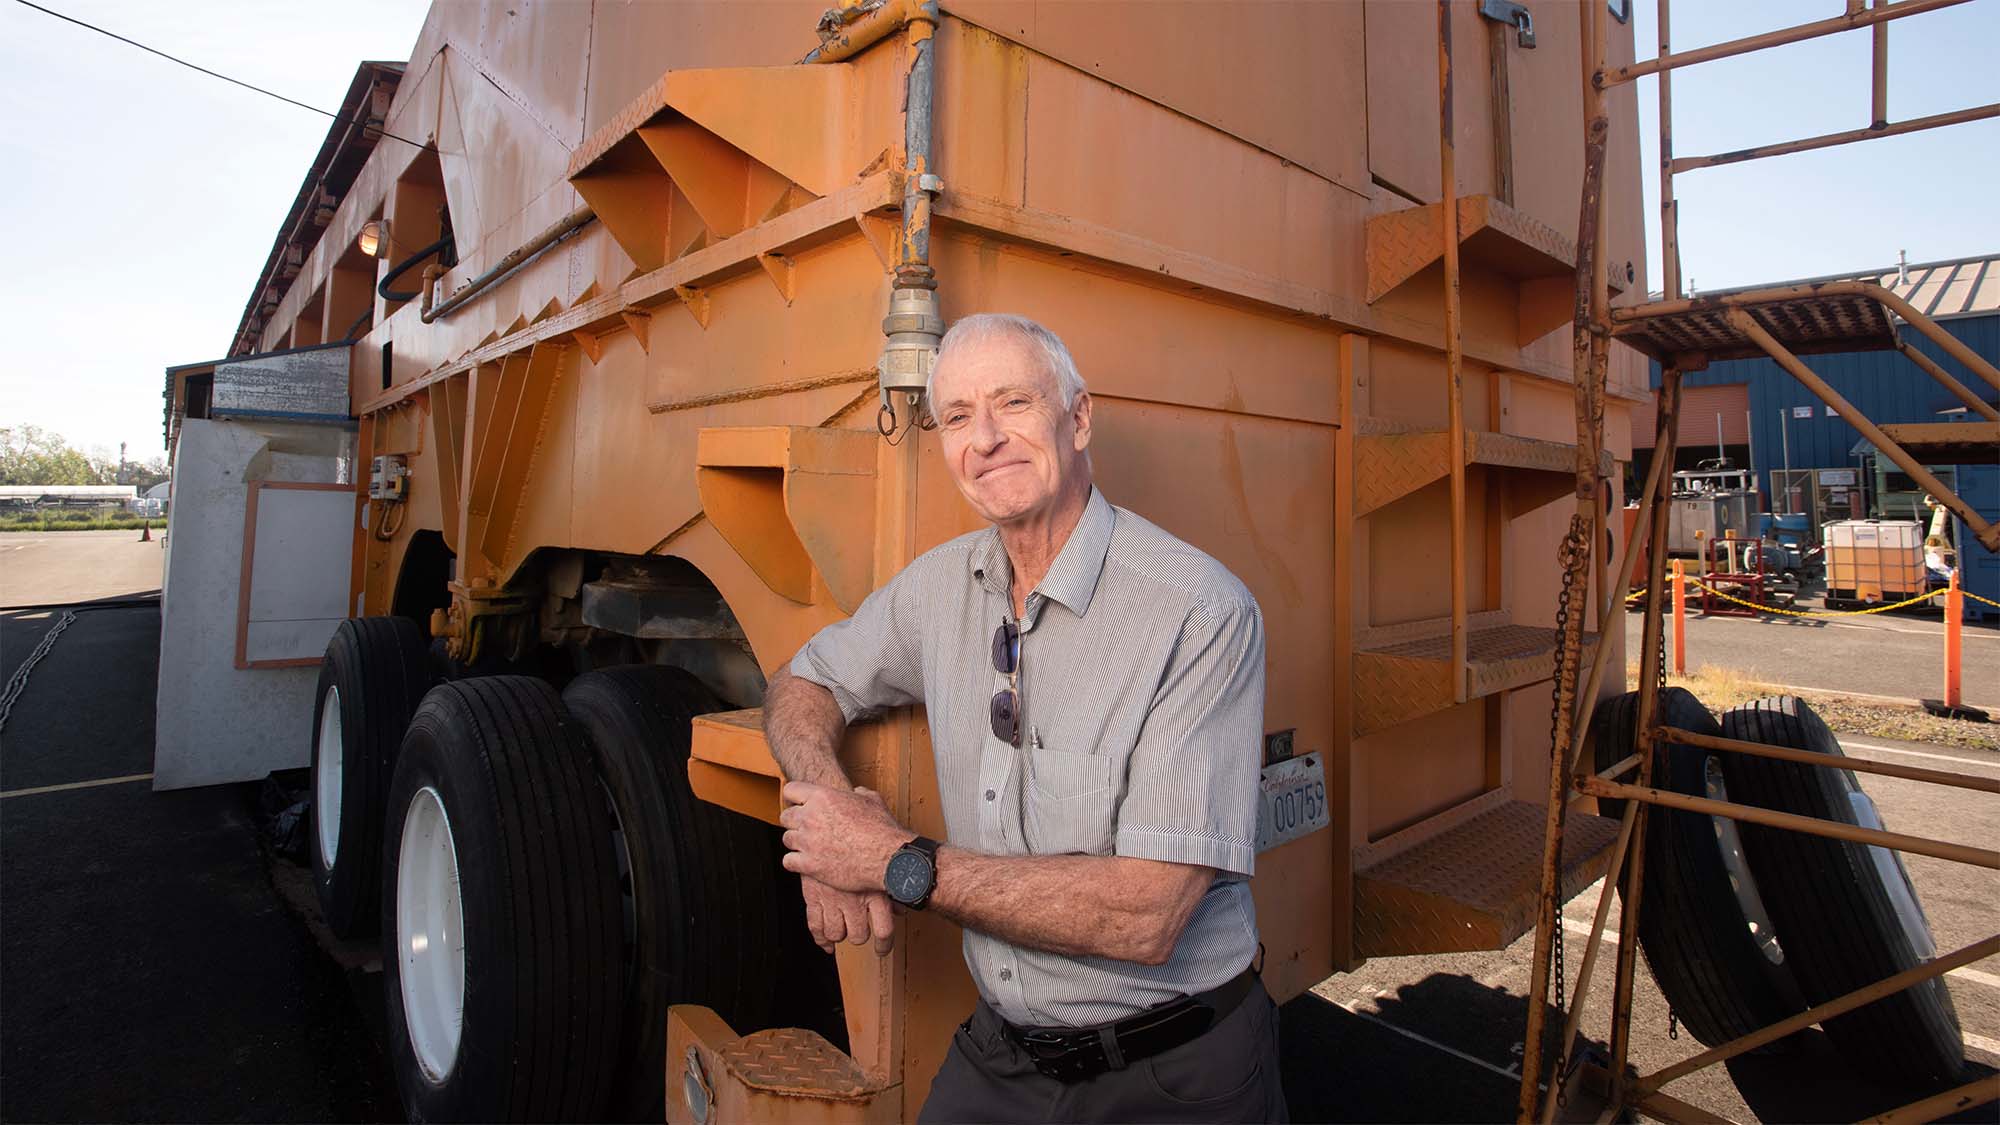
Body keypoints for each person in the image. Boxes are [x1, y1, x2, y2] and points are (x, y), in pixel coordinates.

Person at [766, 313, 1285, 1123]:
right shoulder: (938, 588)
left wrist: (893, 859)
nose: (984, 439)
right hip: (1003, 1058)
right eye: (957, 417)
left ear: (1077, 419)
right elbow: (802, 681)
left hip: (1171, 1070)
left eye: (1012, 403)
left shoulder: (1197, 610)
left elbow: (1150, 914)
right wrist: (829, 805)